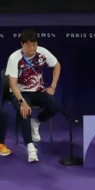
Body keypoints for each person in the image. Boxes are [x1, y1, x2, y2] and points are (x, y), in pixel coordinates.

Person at [5, 28, 70, 164]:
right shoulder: (15, 58)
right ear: (22, 44)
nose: (32, 48)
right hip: (20, 92)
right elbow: (12, 83)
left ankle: (36, 122)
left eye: (34, 44)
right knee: (24, 112)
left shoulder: (42, 52)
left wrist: (53, 86)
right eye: (28, 45)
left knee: (56, 106)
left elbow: (57, 65)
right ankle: (31, 149)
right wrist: (22, 102)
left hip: (38, 91)